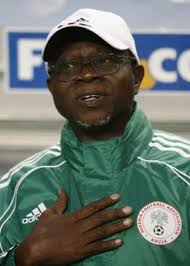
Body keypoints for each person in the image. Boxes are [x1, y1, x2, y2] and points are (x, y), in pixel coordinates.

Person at [0, 8, 190, 266]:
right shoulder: (17, 186)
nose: (86, 74)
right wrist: (23, 258)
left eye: (104, 60)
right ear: (51, 87)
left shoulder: (184, 171)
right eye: (67, 66)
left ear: (136, 77)